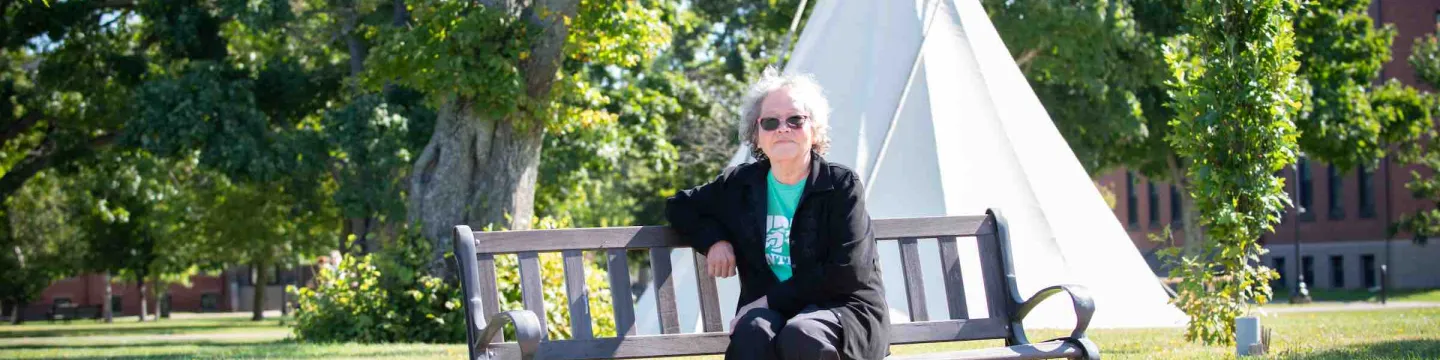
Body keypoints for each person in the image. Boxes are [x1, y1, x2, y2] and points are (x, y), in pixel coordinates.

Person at [666, 69, 889, 360]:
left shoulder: (840, 185)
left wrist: (768, 300)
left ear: (814, 130)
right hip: (774, 313)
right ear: (756, 136)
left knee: (801, 334)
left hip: (842, 310)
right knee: (752, 331)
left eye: (795, 120)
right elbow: (680, 206)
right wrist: (714, 240)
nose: (783, 128)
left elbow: (847, 273)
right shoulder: (741, 185)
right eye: (770, 122)